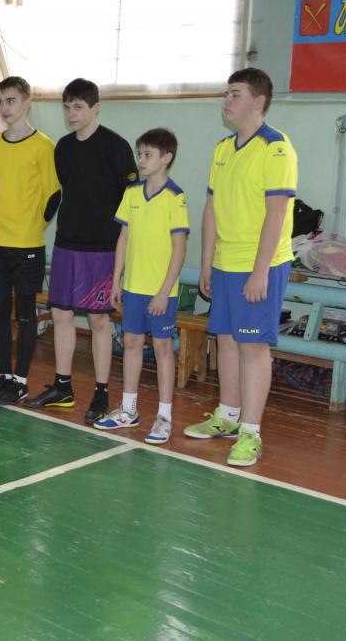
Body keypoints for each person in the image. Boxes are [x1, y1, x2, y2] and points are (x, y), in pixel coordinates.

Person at [184, 68, 298, 467]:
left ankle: (251, 432)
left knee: (253, 347)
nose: (227, 101)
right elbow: (211, 208)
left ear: (258, 102)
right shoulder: (222, 148)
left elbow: (277, 213)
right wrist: (207, 262)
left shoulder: (276, 147)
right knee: (226, 341)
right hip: (225, 263)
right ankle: (228, 416)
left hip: (259, 264)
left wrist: (260, 271)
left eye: (235, 94)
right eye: (226, 94)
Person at [24, 78, 136, 423]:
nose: (71, 113)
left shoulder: (116, 146)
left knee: (99, 320)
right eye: (67, 107)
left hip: (102, 248)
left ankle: (101, 393)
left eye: (78, 107)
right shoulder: (63, 147)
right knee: (60, 314)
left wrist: (124, 252)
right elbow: (57, 193)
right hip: (66, 244)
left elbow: (132, 202)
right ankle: (62, 386)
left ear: (95, 108)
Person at [95, 129, 189, 444]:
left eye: (148, 155)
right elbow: (123, 239)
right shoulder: (132, 193)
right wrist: (116, 280)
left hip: (161, 291)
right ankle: (128, 409)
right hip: (133, 288)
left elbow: (179, 250)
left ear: (167, 158)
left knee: (162, 349)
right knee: (131, 344)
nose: (142, 160)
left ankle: (164, 417)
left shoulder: (175, 197)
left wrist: (164, 292)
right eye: (140, 154)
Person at [0, 76, 61, 406]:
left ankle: (21, 381)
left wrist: (32, 227)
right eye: (1, 102)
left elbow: (53, 195)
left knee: (25, 315)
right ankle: (4, 376)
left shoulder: (44, 146)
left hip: (26, 245)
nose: (5, 107)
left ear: (27, 103)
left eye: (11, 101)